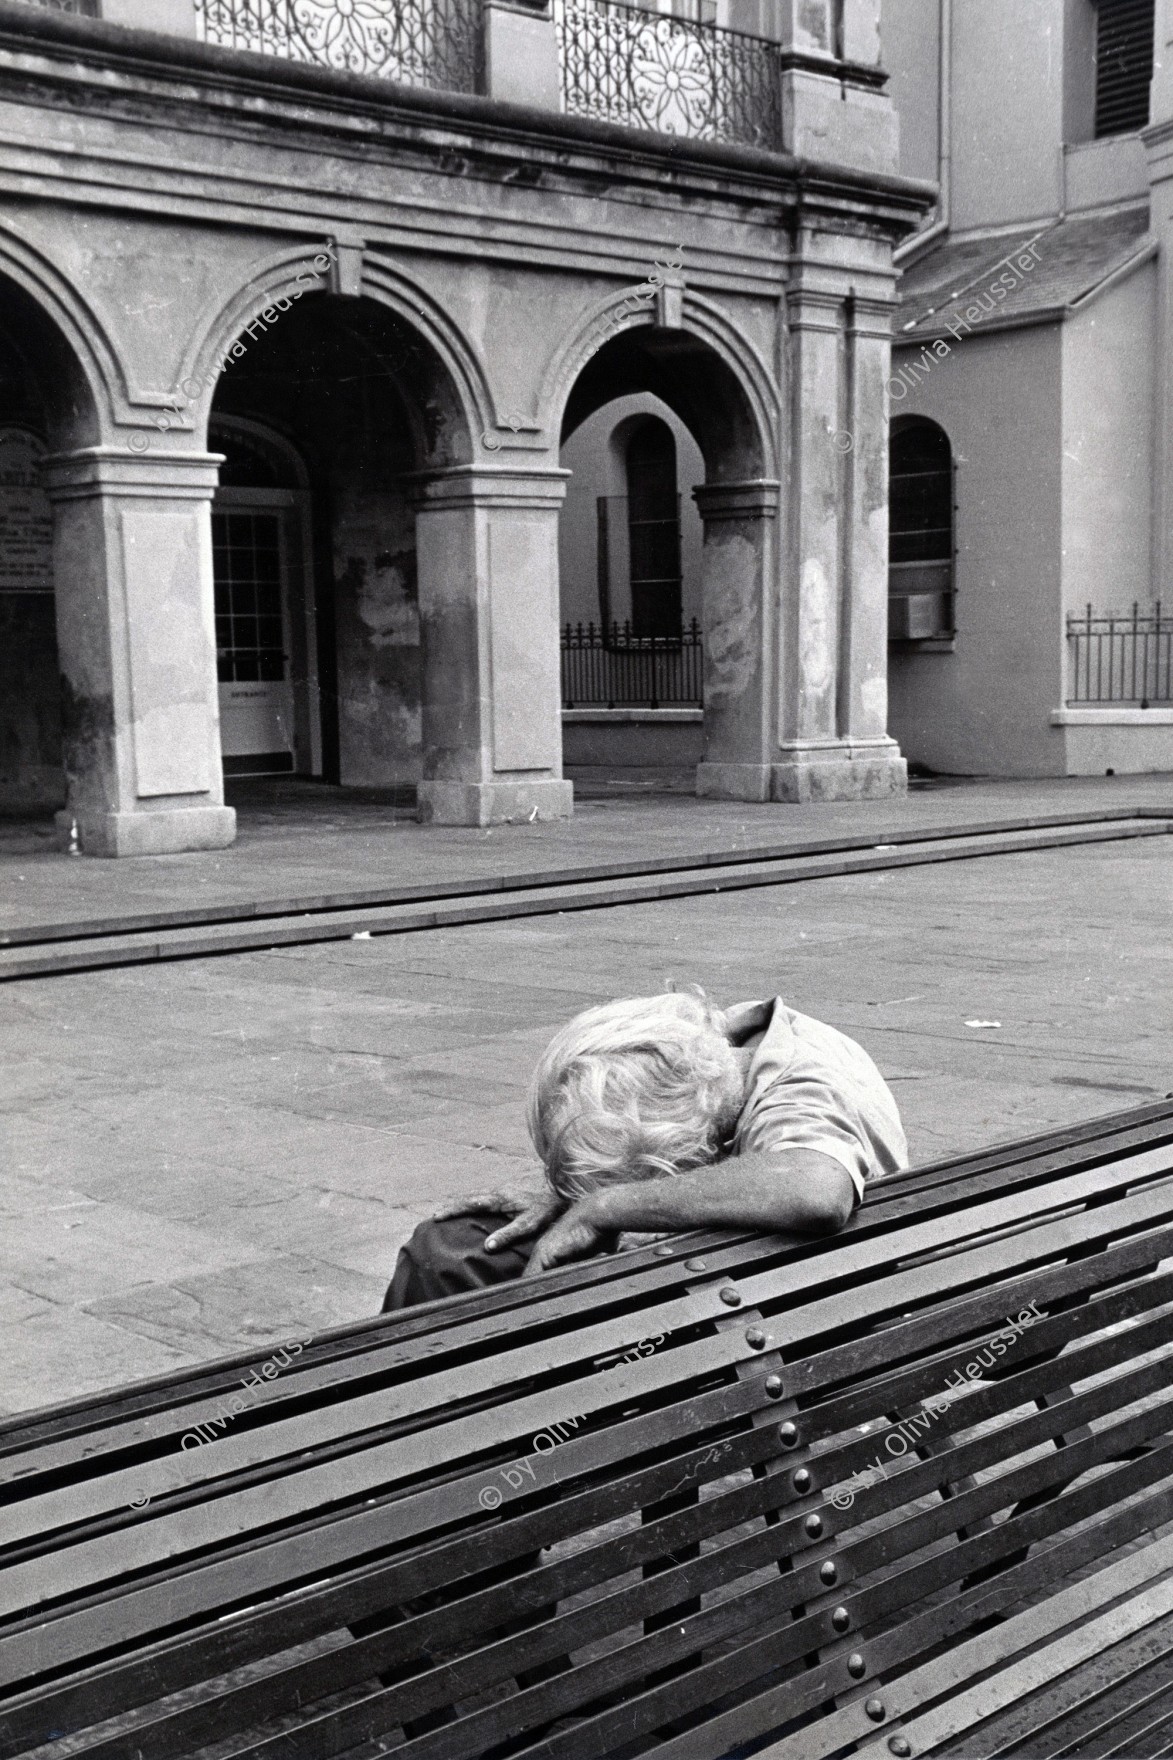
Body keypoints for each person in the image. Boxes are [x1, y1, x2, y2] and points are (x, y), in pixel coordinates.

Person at [382, 989, 908, 1310]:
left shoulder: (801, 1093)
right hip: (763, 1271)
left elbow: (817, 1188)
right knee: (453, 1246)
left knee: (452, 1259)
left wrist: (608, 1205)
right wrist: (572, 1190)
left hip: (787, 1305)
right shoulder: (727, 1048)